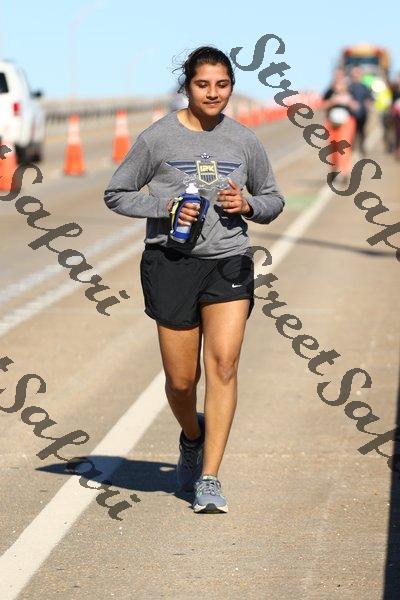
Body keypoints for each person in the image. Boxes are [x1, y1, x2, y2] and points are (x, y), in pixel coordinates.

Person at [103, 46, 285, 514]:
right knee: (182, 382)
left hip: (229, 260)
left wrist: (248, 205)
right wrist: (164, 207)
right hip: (171, 263)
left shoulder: (244, 140)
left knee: (224, 365)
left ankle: (210, 477)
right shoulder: (157, 139)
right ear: (187, 86)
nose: (213, 93)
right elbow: (117, 193)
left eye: (222, 85)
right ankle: (191, 435)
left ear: (231, 87)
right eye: (203, 84)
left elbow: (272, 199)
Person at [322, 70, 358, 181]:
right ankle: (334, 169)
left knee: (344, 147)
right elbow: (322, 106)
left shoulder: (350, 91)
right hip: (332, 123)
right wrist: (332, 101)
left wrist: (348, 101)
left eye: (340, 76)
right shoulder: (329, 91)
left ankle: (344, 172)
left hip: (346, 122)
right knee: (333, 148)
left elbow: (356, 106)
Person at [347, 66, 373, 155]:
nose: (356, 75)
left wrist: (368, 102)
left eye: (358, 73)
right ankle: (351, 149)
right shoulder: (349, 87)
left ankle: (362, 148)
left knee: (362, 131)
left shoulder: (364, 87)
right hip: (351, 114)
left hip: (362, 114)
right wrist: (351, 103)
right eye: (355, 73)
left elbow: (369, 98)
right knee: (352, 132)